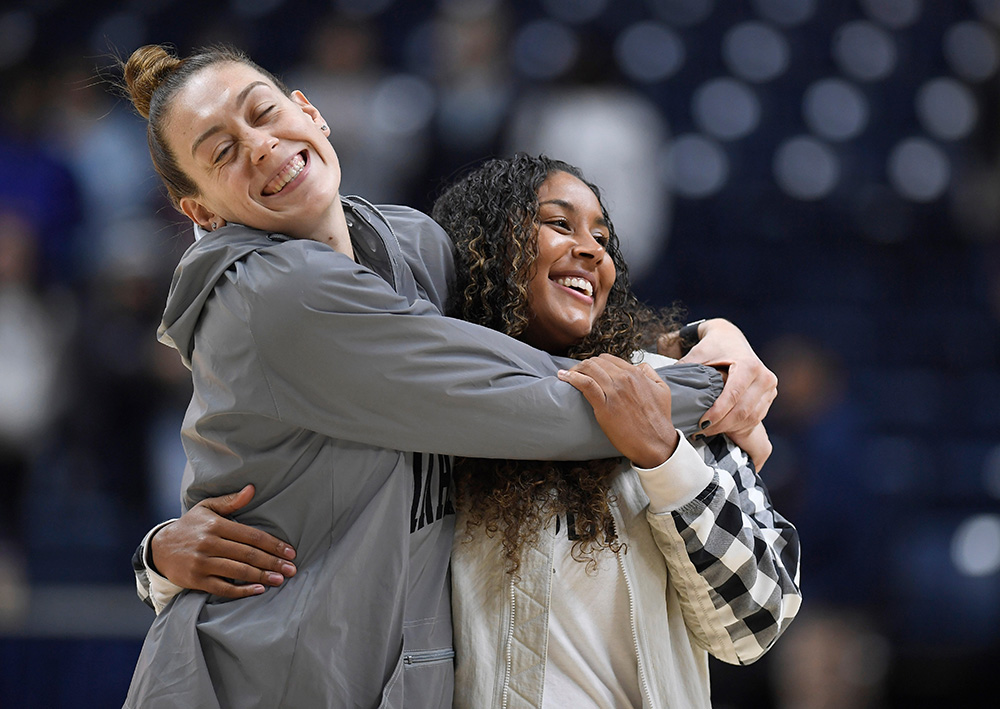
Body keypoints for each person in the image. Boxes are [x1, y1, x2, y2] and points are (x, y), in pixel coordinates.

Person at [118, 44, 779, 708]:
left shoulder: (415, 245)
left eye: (262, 115)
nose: (259, 147)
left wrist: (698, 342)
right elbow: (545, 400)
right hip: (246, 680)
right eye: (221, 153)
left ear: (309, 113)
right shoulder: (271, 294)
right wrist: (710, 392)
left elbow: (523, 335)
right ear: (201, 213)